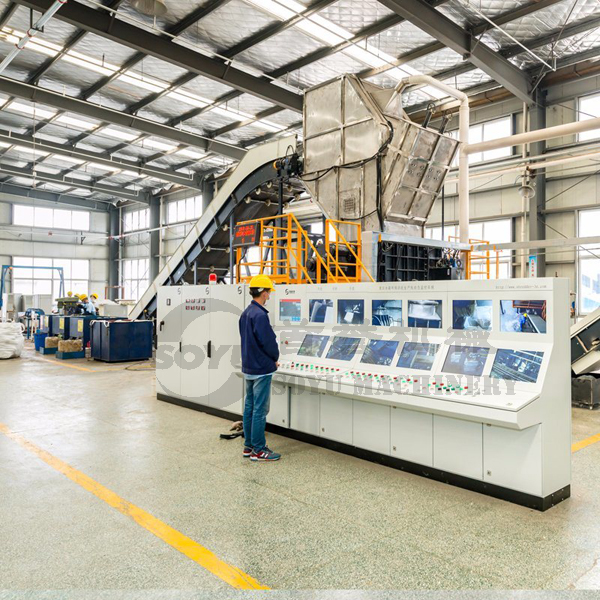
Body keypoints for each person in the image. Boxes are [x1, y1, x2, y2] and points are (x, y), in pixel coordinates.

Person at [239, 274, 281, 462]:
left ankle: (248, 446)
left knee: (249, 407)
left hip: (249, 367)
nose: (269, 295)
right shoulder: (260, 315)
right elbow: (268, 342)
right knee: (260, 410)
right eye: (269, 292)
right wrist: (275, 358)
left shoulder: (246, 313)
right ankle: (259, 449)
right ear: (263, 293)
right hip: (262, 369)